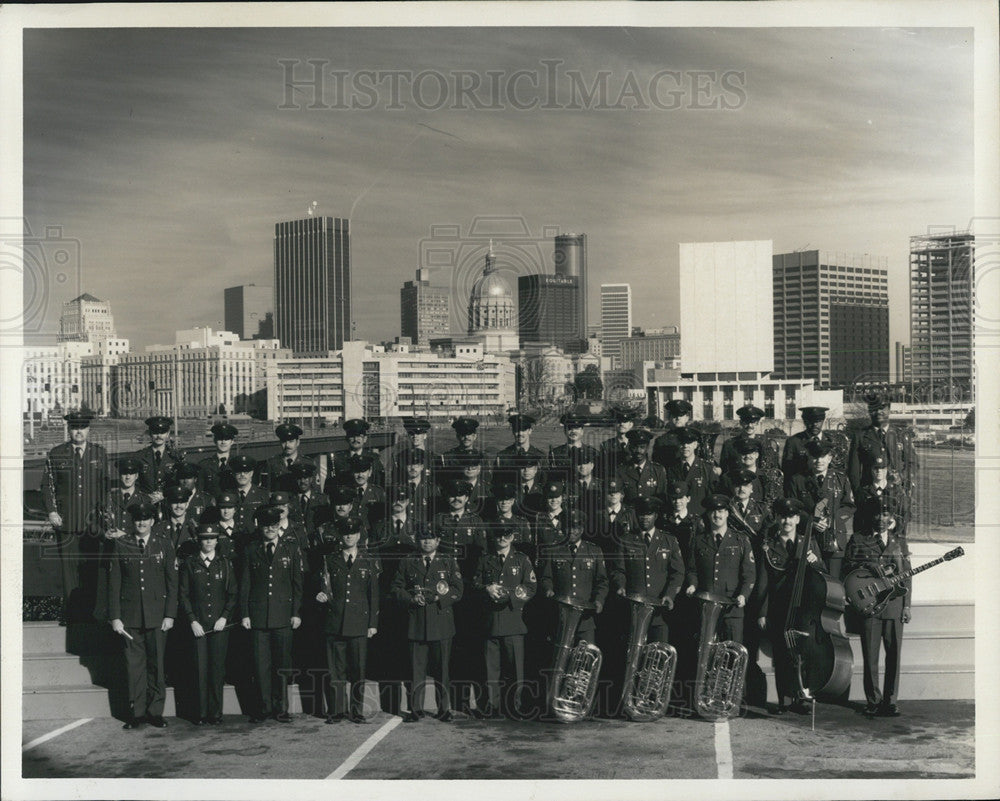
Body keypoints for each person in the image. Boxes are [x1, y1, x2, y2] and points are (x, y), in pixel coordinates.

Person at [107, 501, 177, 729]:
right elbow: (114, 582)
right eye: (138, 519)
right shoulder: (121, 544)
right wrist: (115, 617)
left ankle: (155, 712)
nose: (142, 523)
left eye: (146, 519)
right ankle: (136, 714)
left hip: (157, 616)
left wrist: (170, 615)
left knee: (157, 666)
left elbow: (171, 583)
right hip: (130, 617)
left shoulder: (163, 544)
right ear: (133, 521)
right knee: (134, 666)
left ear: (153, 521)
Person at [754, 498, 827, 715]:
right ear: (777, 519)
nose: (787, 521)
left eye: (791, 517)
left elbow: (822, 572)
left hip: (805, 608)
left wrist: (815, 561)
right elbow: (763, 583)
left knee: (804, 652)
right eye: (782, 516)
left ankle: (802, 696)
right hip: (779, 607)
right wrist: (762, 612)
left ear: (797, 519)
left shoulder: (809, 542)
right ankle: (784, 699)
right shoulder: (769, 546)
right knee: (782, 652)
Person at [843, 495, 912, 717]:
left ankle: (891, 701)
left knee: (894, 655)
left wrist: (907, 606)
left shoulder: (899, 541)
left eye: (885, 514)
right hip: (870, 604)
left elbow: (907, 577)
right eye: (876, 514)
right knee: (870, 655)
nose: (880, 518)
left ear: (891, 517)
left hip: (894, 604)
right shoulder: (858, 540)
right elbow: (847, 571)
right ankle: (873, 700)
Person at [537, 511, 609, 716]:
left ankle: (580, 705)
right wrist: (549, 591)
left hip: (585, 620)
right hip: (561, 618)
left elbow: (602, 582)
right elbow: (545, 578)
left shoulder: (594, 551)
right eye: (569, 527)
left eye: (577, 527)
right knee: (559, 662)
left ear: (583, 529)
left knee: (585, 664)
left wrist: (599, 601)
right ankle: (553, 703)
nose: (573, 531)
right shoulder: (554, 550)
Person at [41, 410, 110, 620]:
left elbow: (105, 487)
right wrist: (52, 511)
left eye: (82, 427)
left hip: (92, 525)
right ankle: (72, 615)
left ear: (88, 429)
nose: (78, 431)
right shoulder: (56, 454)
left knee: (91, 570)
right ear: (69, 429)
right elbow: (47, 485)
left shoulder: (99, 454)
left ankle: (89, 614)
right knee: (69, 571)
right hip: (67, 522)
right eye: (74, 427)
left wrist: (105, 515)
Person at [391, 526, 464, 723]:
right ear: (418, 540)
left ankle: (444, 710)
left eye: (431, 538)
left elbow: (458, 589)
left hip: (441, 623)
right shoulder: (408, 562)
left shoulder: (448, 562)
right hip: (416, 623)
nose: (427, 542)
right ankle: (415, 710)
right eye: (423, 538)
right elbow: (396, 588)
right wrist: (411, 599)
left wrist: (440, 599)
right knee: (416, 671)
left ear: (438, 541)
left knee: (443, 671)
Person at [239, 506, 304, 723]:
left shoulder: (291, 549)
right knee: (260, 666)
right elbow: (245, 585)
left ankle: (281, 709)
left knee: (282, 665)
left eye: (274, 526)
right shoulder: (251, 549)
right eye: (267, 526)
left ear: (279, 526)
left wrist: (296, 613)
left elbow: (297, 584)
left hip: (283, 616)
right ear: (260, 526)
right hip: (258, 617)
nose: (270, 529)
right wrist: (245, 614)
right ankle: (263, 709)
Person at [315, 518, 380, 723]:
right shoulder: (329, 560)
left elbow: (374, 595)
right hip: (335, 622)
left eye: (352, 533)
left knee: (358, 670)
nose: (349, 536)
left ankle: (357, 711)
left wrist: (372, 624)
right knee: (336, 672)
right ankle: (337, 711)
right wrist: (320, 596)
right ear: (340, 536)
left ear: (359, 536)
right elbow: (324, 588)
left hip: (359, 624)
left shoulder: (368, 561)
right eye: (345, 533)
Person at [472, 524, 537, 718]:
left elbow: (531, 586)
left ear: (512, 536)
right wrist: (487, 589)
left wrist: (510, 595)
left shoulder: (522, 559)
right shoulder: (485, 559)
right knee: (490, 669)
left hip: (513, 620)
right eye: (498, 534)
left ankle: (514, 707)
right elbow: (474, 583)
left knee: (515, 669)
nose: (502, 538)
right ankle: (493, 707)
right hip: (490, 622)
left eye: (506, 534)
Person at [178, 522, 237, 725]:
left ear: (217, 540)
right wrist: (192, 620)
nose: (209, 542)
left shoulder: (225, 563)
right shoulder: (190, 563)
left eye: (212, 539)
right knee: (200, 669)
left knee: (217, 669)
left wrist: (224, 617)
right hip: (199, 626)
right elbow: (183, 595)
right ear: (199, 541)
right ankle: (201, 713)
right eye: (205, 539)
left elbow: (232, 594)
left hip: (220, 626)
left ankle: (215, 713)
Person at [610, 497, 685, 647]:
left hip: (659, 612)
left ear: (656, 516)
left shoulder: (669, 540)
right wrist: (620, 586)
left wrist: (669, 595)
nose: (645, 518)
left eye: (649, 514)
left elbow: (678, 573)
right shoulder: (626, 540)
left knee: (659, 657)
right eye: (641, 514)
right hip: (634, 610)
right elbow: (618, 570)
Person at [683, 494, 756, 645]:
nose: (717, 515)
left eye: (721, 511)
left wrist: (743, 595)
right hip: (706, 607)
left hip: (733, 608)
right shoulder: (698, 541)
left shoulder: (741, 540)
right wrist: (692, 585)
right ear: (708, 515)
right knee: (706, 653)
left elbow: (749, 574)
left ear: (728, 513)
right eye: (713, 511)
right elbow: (692, 570)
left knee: (732, 653)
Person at [786, 439, 856, 578]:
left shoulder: (840, 479)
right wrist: (811, 521)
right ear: (809, 458)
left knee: (834, 583)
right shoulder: (797, 480)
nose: (819, 461)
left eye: (823, 456)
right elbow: (792, 508)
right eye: (815, 456)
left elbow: (849, 506)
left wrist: (832, 520)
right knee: (810, 581)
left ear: (830, 458)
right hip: (807, 539)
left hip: (834, 538)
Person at [848, 395, 918, 494]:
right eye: (874, 409)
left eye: (881, 408)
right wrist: (857, 492)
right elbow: (853, 470)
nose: (878, 412)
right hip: (869, 492)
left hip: (896, 492)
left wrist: (902, 477)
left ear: (889, 410)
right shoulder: (860, 436)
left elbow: (913, 462)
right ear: (869, 411)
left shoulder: (901, 435)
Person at [853, 451, 910, 536]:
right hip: (868, 537)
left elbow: (905, 514)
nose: (879, 471)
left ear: (887, 469)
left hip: (892, 537)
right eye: (876, 468)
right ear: (871, 469)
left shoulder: (897, 492)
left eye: (882, 468)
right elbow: (858, 519)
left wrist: (895, 524)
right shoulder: (863, 492)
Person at [663, 427, 716, 516]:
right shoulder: (670, 468)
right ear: (678, 444)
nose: (685, 446)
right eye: (682, 442)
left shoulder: (707, 468)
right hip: (676, 520)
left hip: (700, 520)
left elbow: (712, 497)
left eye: (689, 442)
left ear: (695, 445)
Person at [325, 418, 386, 492]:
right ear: (347, 438)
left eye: (359, 436)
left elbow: (379, 483)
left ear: (365, 439)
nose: (355, 439)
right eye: (352, 436)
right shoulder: (337, 459)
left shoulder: (373, 458)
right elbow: (329, 486)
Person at [781, 406, 835, 487]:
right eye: (810, 421)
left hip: (828, 487)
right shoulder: (793, 442)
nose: (814, 425)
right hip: (801, 488)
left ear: (823, 421)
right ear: (804, 421)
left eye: (818, 421)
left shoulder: (831, 441)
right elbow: (787, 471)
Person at [134, 416, 183, 505]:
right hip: (146, 505)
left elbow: (181, 483)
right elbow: (135, 485)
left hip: (170, 505)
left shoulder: (176, 457)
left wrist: (165, 495)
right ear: (150, 433)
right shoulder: (139, 457)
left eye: (162, 432)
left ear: (168, 434)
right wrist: (147, 498)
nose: (159, 436)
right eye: (155, 432)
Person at [616, 428, 668, 506]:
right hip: (629, 515)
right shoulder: (621, 470)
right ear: (630, 447)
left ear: (647, 448)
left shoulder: (658, 470)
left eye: (642, 447)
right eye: (635, 447)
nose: (638, 451)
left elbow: (662, 498)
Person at [257, 423, 313, 492]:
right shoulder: (271, 463)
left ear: (298, 442)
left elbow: (315, 493)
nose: (287, 445)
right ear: (280, 442)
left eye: (291, 441)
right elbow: (266, 490)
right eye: (284, 441)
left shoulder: (308, 463)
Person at [229, 455, 269, 542]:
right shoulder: (228, 495)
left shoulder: (263, 495)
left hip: (256, 541)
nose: (242, 475)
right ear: (233, 474)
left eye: (246, 472)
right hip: (233, 542)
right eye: (238, 472)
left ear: (252, 473)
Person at [494, 413, 545, 478]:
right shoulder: (503, 457)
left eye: (523, 430)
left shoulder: (540, 456)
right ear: (513, 431)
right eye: (517, 430)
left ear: (530, 431)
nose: (520, 433)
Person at [718, 405, 766, 475]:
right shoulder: (729, 444)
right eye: (746, 422)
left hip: (759, 484)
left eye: (753, 422)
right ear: (741, 422)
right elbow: (724, 470)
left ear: (758, 423)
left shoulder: (764, 444)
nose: (750, 425)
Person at [288, 461, 329, 539]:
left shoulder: (322, 500)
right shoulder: (289, 501)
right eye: (299, 478)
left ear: (311, 479)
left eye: (305, 478)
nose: (302, 481)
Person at [650, 399, 693, 472]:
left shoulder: (694, 438)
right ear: (669, 418)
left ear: (687, 418)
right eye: (675, 415)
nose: (678, 418)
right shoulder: (661, 441)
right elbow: (657, 467)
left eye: (681, 415)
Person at [598, 406, 638, 483]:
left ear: (631, 424)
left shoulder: (637, 445)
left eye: (625, 421)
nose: (621, 424)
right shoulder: (606, 445)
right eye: (619, 421)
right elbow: (602, 469)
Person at [198, 422, 238, 497]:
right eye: (220, 439)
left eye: (226, 439)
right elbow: (200, 491)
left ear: (232, 441)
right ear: (215, 441)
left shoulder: (238, 463)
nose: (223, 442)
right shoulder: (204, 465)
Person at [400, 448, 434, 525]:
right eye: (409, 464)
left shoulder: (431, 489)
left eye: (416, 465)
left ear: (422, 467)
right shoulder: (397, 488)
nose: (413, 468)